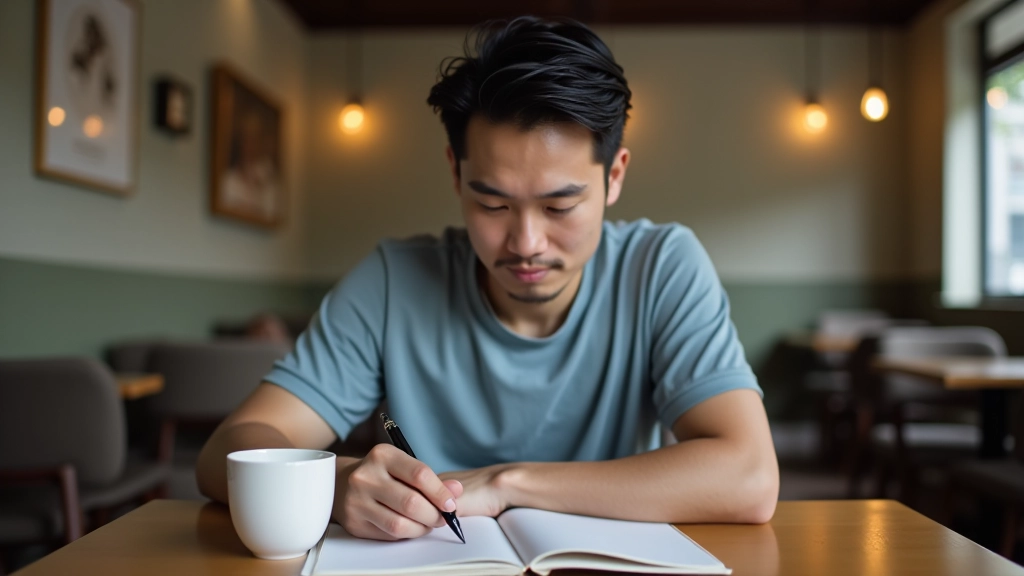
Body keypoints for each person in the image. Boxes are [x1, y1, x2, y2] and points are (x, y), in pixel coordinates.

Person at [197, 16, 778, 541]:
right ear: (456, 173)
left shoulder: (661, 267)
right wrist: (339, 480)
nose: (526, 243)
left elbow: (750, 477)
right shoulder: (393, 280)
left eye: (560, 206)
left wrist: (508, 483)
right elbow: (227, 448)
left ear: (614, 177)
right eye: (493, 204)